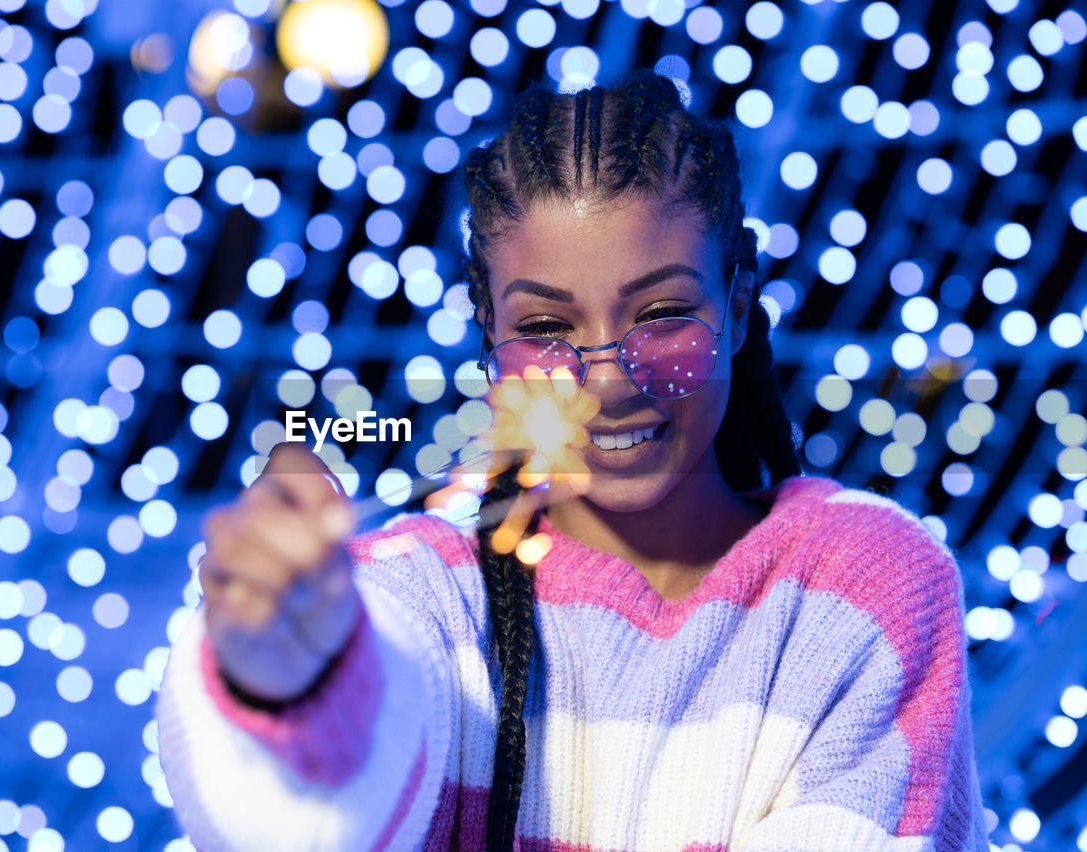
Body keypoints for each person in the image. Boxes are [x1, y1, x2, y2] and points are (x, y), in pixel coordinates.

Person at [157, 70, 990, 851]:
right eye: (548, 330)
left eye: (662, 314)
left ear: (737, 309)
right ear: (492, 341)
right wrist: (284, 682)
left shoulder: (864, 584)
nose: (608, 380)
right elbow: (306, 802)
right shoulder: (424, 590)